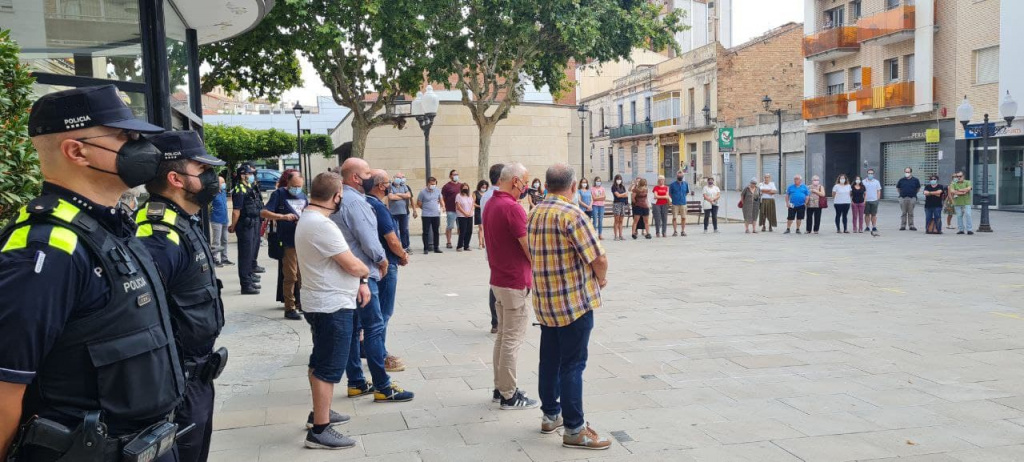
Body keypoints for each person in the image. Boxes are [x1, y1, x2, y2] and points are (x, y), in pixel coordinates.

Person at [0, 85, 183, 462]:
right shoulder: (47, 249)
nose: (140, 146)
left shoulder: (113, 230)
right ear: (76, 150)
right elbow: (5, 387)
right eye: (124, 136)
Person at [137, 130, 228, 462]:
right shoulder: (158, 235)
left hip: (196, 378)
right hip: (178, 383)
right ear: (175, 178)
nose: (211, 178)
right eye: (202, 170)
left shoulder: (182, 223)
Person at [527, 163, 611, 451]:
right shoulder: (572, 214)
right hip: (573, 301)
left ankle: (551, 414)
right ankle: (575, 429)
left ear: (548, 185)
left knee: (549, 359)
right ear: (573, 186)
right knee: (573, 364)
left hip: (545, 300)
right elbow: (598, 258)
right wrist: (601, 279)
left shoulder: (535, 211)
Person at [330, 158, 415, 402]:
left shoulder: (340, 199)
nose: (372, 177)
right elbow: (370, 241)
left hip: (347, 274)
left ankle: (356, 381)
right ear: (356, 178)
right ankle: (382, 386)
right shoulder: (356, 202)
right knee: (374, 328)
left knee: (354, 328)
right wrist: (383, 260)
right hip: (364, 275)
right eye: (367, 172)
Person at [294, 172, 367, 450]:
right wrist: (364, 273)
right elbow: (353, 265)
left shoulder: (309, 218)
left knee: (320, 360)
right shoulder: (322, 225)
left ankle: (319, 414)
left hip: (321, 301)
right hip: (331, 306)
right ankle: (320, 431)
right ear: (337, 196)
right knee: (328, 367)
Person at [483, 162, 540, 410]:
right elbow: (527, 246)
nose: (526, 186)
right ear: (515, 181)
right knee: (512, 340)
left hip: (499, 279)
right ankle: (509, 394)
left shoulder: (491, 204)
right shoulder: (512, 208)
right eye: (524, 181)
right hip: (514, 281)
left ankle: (500, 387)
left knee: (503, 337)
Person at [366, 170, 411, 373]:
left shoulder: (363, 203)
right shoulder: (377, 206)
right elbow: (391, 239)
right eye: (389, 182)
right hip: (384, 263)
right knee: (383, 312)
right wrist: (402, 255)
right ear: (382, 186)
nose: (393, 184)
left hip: (372, 264)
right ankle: (380, 355)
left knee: (375, 313)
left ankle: (373, 350)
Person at [263, 169, 308, 320]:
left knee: (303, 276)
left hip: (302, 240)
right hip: (288, 241)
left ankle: (302, 303)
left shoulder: (303, 195)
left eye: (300, 186)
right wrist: (282, 217)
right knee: (291, 275)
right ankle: (290, 307)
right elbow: (264, 213)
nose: (297, 188)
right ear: (288, 182)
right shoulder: (279, 194)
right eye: (294, 185)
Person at [479, 164, 505, 334]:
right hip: (501, 246)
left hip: (492, 246)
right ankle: (498, 320)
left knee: (496, 282)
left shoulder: (486, 196)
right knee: (499, 284)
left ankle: (497, 321)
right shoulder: (496, 196)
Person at [230, 164, 263, 294]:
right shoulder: (239, 189)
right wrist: (233, 226)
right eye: (248, 174)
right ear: (242, 175)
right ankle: (245, 285)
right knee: (245, 256)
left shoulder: (248, 187)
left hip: (252, 223)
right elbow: (236, 211)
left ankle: (249, 279)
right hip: (244, 225)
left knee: (250, 254)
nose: (251, 176)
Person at [387, 172, 414, 251]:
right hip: (393, 213)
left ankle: (405, 247)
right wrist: (403, 196)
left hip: (403, 212)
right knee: (394, 231)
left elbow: (408, 195)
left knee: (404, 230)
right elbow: (391, 197)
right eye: (399, 177)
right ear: (394, 178)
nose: (401, 179)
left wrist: (397, 194)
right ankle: (396, 247)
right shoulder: (390, 187)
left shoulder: (404, 186)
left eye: (402, 177)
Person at [416, 177, 444, 254]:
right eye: (432, 184)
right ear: (428, 183)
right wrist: (425, 208)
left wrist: (443, 207)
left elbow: (441, 199)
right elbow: (419, 203)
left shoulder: (438, 191)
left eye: (434, 184)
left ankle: (436, 247)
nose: (433, 185)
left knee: (436, 231)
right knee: (426, 232)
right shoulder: (422, 192)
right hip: (426, 215)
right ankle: (425, 248)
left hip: (436, 214)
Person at [211, 174, 232, 266]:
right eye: (222, 182)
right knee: (216, 240)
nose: (224, 184)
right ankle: (214, 259)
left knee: (225, 240)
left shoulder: (223, 192)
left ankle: (224, 258)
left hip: (224, 219)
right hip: (216, 219)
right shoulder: (213, 194)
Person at [442, 169, 462, 249]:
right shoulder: (446, 186)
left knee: (461, 227)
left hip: (460, 210)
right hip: (451, 210)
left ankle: (461, 242)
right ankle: (448, 242)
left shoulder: (461, 185)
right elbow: (442, 198)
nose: (456, 176)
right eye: (454, 174)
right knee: (450, 226)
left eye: (457, 174)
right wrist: (443, 206)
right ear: (450, 176)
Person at [896, 167, 921, 231]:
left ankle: (911, 225)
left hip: (912, 198)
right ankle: (903, 225)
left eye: (908, 172)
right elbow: (898, 188)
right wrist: (901, 194)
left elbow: (918, 188)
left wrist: (913, 194)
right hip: (903, 198)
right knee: (903, 212)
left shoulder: (915, 180)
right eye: (906, 172)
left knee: (911, 213)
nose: (907, 173)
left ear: (911, 172)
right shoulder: (901, 180)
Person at [950, 171, 974, 235]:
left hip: (966, 202)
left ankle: (969, 230)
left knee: (968, 215)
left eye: (960, 176)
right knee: (959, 216)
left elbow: (969, 188)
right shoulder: (953, 183)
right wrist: (963, 191)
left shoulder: (968, 182)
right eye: (957, 176)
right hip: (957, 202)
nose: (958, 177)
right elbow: (952, 191)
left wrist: (957, 190)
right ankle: (961, 230)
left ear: (963, 176)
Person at [669, 171, 690, 236]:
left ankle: (683, 231)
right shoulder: (672, 185)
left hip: (683, 203)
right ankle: (675, 231)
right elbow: (670, 194)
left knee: (683, 217)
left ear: (683, 176)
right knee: (674, 218)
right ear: (677, 176)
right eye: (679, 176)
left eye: (681, 176)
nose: (680, 177)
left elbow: (686, 192)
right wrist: (675, 198)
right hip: (675, 203)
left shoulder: (685, 184)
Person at [455, 182, 475, 252]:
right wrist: (465, 213)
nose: (465, 189)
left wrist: (470, 212)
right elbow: (458, 206)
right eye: (464, 188)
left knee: (469, 231)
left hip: (470, 215)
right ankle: (459, 246)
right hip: (462, 216)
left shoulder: (470, 196)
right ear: (461, 189)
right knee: (463, 231)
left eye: (467, 188)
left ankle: (466, 246)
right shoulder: (458, 196)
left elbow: (472, 204)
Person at [862, 168, 882, 233]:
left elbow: (878, 191)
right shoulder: (863, 182)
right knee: (867, 214)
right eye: (869, 173)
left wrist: (877, 199)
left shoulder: (876, 182)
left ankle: (874, 227)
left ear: (873, 174)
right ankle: (867, 227)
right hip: (866, 200)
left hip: (874, 200)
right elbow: (862, 191)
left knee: (874, 214)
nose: (870, 174)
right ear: (867, 174)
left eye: (871, 173)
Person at [611, 174, 629, 241]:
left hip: (622, 204)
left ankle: (621, 235)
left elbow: (626, 195)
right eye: (617, 179)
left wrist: (622, 195)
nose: (619, 180)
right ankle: (616, 236)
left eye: (620, 179)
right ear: (615, 180)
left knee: (621, 220)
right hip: (616, 204)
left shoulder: (622, 187)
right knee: (616, 220)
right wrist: (623, 195)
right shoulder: (614, 187)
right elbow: (617, 195)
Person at [474, 180, 488, 249]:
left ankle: (483, 242)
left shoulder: (487, 193)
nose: (484, 188)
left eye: (485, 187)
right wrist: (480, 206)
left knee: (484, 228)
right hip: (478, 211)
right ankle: (480, 243)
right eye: (483, 187)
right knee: (481, 227)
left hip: (486, 211)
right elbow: (473, 203)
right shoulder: (475, 193)